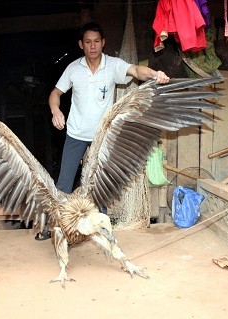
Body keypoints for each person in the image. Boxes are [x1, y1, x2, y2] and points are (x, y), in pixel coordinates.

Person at [35, 22, 170, 240]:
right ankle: (52, 226)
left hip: (102, 137)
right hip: (76, 134)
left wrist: (155, 74)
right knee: (64, 184)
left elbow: (136, 70)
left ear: (103, 43)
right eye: (88, 42)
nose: (93, 46)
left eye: (97, 41)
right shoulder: (73, 68)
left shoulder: (113, 65)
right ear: (81, 44)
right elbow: (55, 93)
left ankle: (103, 230)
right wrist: (55, 110)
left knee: (100, 184)